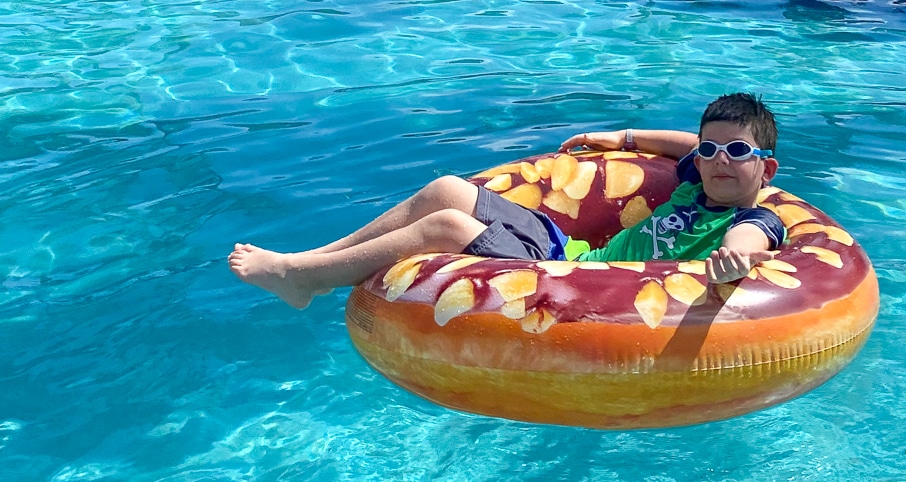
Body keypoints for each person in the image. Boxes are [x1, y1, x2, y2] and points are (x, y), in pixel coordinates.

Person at [228, 92, 785, 309]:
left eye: (737, 151)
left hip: (577, 282)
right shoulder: (700, 176)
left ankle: (305, 276)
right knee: (447, 188)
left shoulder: (754, 218)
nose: (718, 160)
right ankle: (313, 262)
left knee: (446, 225)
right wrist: (625, 138)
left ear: (766, 167)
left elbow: (751, 238)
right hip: (570, 249)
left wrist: (735, 259)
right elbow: (690, 142)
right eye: (712, 149)